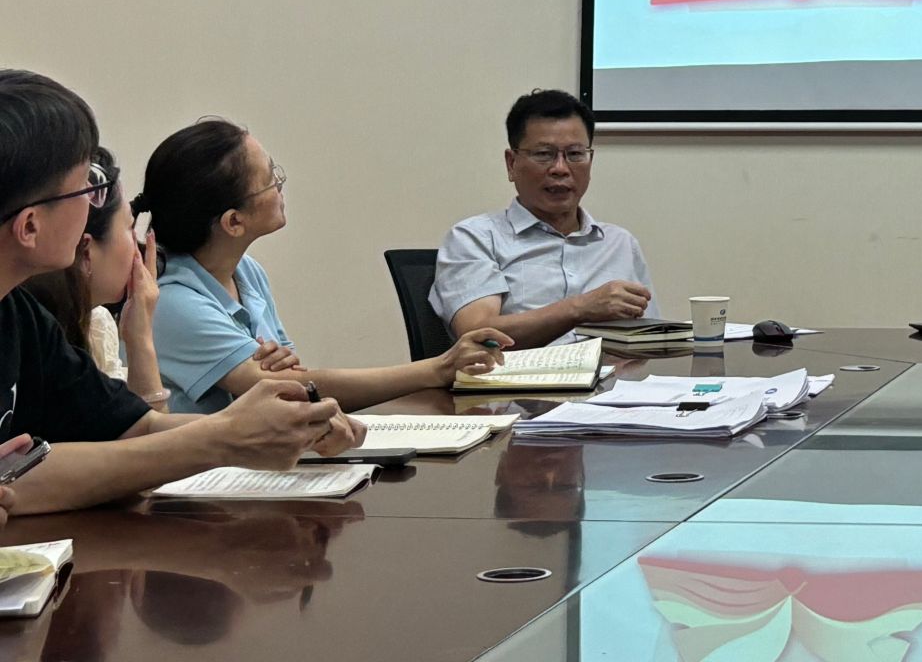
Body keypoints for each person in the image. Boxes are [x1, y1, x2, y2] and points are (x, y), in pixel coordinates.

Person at [0, 69, 361, 518]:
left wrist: (282, 426)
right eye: (88, 187)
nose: (96, 205)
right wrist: (224, 438)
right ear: (30, 226)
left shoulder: (18, 315)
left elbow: (132, 430)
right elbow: (27, 484)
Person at [142, 118, 511, 413]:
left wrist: (285, 375)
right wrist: (437, 368)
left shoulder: (246, 271)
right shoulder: (172, 302)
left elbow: (296, 379)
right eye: (270, 180)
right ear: (234, 222)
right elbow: (288, 389)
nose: (280, 186)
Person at [432, 89, 658, 347]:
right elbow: (478, 333)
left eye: (575, 154)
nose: (560, 169)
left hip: (613, 373)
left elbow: (648, 339)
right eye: (543, 154)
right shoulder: (476, 238)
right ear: (511, 163)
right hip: (519, 374)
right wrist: (580, 308)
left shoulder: (620, 243)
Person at [20, 145, 172, 411]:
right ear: (87, 252)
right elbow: (154, 436)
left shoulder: (97, 323)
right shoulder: (26, 334)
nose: (139, 246)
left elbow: (145, 431)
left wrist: (139, 338)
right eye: (130, 227)